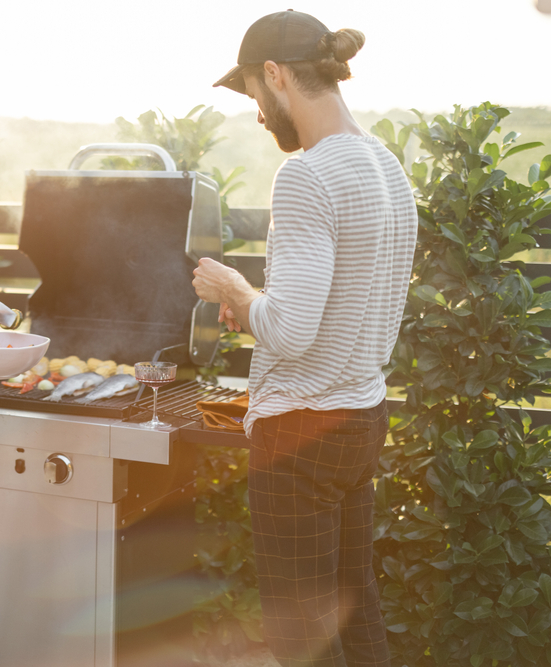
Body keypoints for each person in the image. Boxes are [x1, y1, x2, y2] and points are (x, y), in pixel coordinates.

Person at [194, 10, 416, 667]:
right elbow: (347, 305)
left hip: (301, 433)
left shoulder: (307, 175)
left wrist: (235, 289)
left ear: (276, 75)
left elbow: (290, 332)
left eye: (256, 96)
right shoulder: (387, 168)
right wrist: (260, 305)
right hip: (360, 417)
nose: (258, 115)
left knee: (301, 638)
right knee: (356, 608)